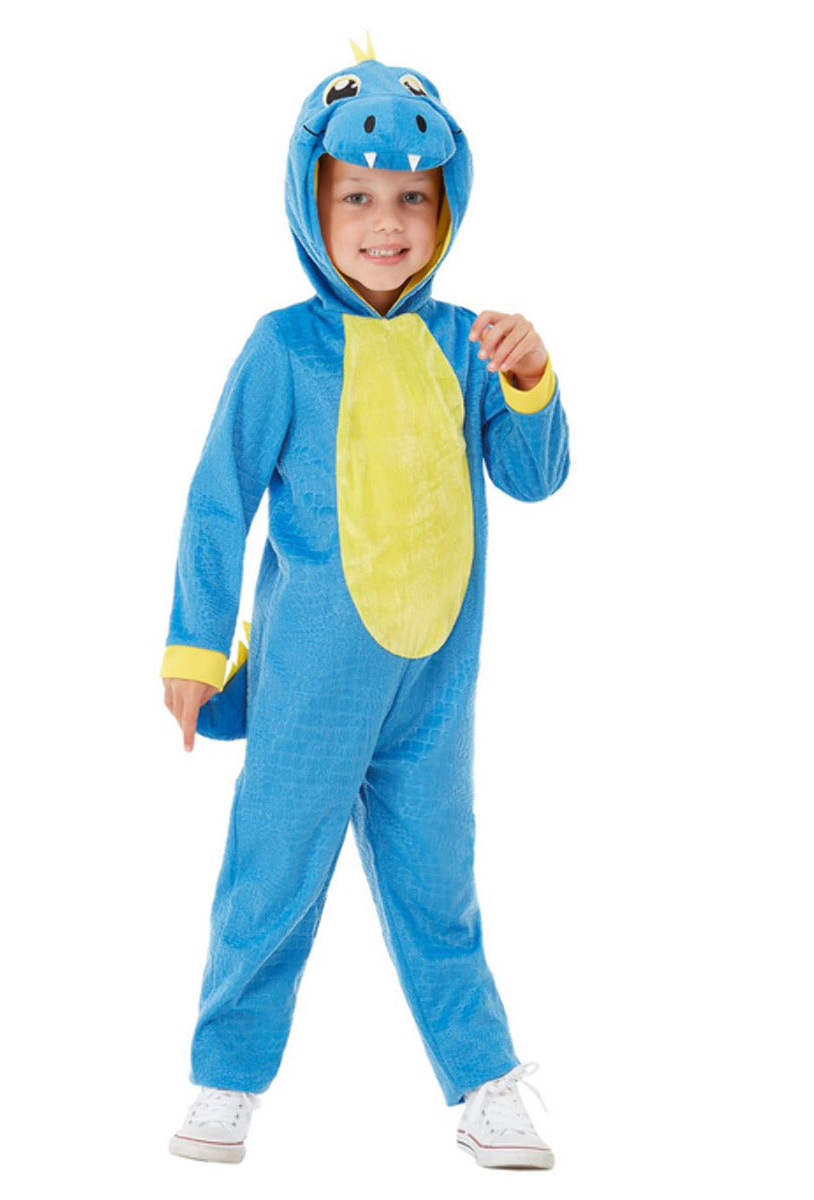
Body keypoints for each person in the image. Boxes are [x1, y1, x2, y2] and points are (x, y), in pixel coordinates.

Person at [160, 35, 570, 1170]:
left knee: (441, 889)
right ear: (312, 203)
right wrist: (195, 648)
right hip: (307, 685)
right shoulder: (283, 348)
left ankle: (484, 1084)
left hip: (434, 692)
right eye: (357, 197)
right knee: (273, 876)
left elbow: (534, 477)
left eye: (412, 198)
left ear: (446, 208)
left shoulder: (466, 342)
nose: (386, 223)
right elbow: (217, 499)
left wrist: (529, 378)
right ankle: (225, 1079)